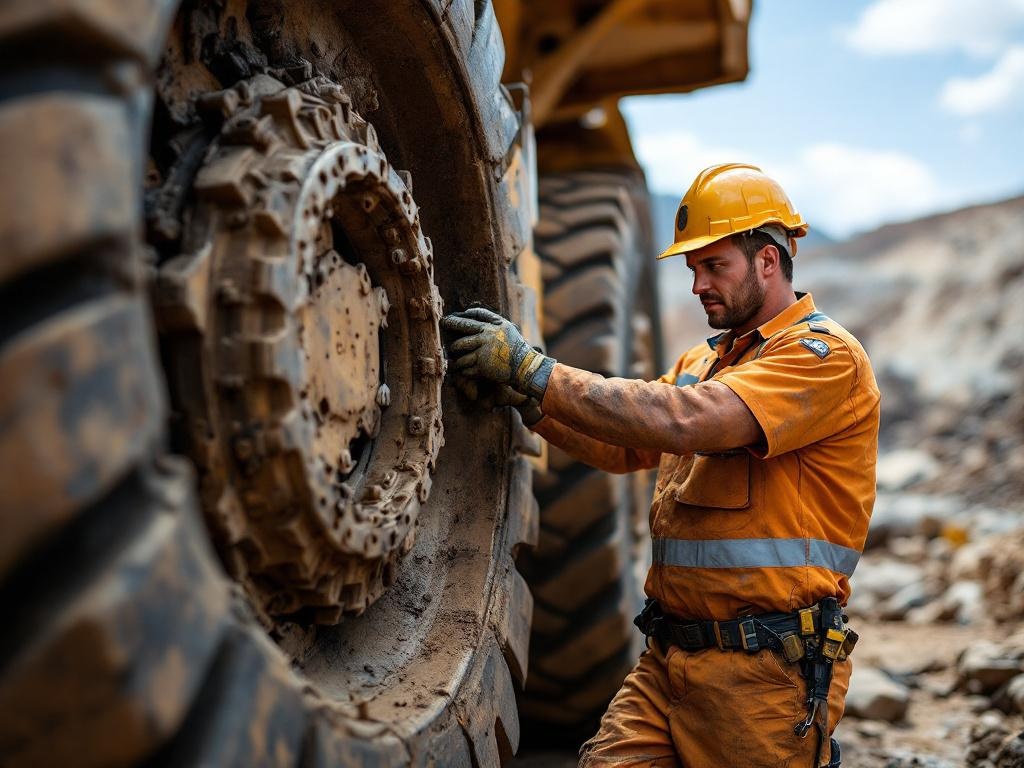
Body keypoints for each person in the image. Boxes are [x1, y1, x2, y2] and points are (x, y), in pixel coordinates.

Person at [442, 163, 880, 767]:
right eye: (692, 268)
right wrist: (532, 403)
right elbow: (629, 444)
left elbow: (687, 421)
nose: (697, 284)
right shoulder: (704, 360)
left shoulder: (823, 357)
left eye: (714, 265)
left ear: (769, 261)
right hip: (669, 661)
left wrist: (536, 370)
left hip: (765, 677)